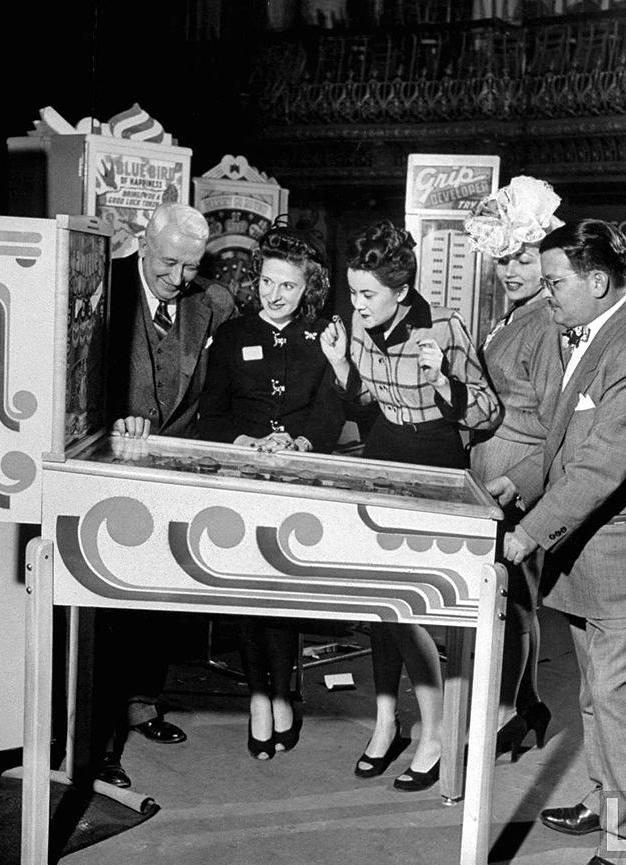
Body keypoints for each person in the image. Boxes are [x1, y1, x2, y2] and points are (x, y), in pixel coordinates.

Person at [486, 219, 626, 865]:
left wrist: (526, 533)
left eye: (554, 281)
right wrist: (512, 482)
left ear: (598, 281)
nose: (544, 292)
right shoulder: (583, 334)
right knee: (596, 696)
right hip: (594, 557)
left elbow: (599, 468)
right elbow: (560, 447)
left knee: (624, 705)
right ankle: (607, 800)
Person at [320, 219, 500, 792]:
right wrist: (342, 365)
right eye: (354, 293)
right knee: (380, 606)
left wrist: (444, 378)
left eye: (368, 294)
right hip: (384, 461)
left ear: (401, 291)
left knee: (409, 607)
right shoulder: (359, 323)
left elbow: (486, 413)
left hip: (435, 470)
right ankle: (385, 722)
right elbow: (366, 407)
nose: (358, 304)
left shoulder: (445, 327)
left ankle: (435, 732)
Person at [98, 202, 236, 789]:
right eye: (169, 264)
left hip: (172, 471)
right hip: (107, 469)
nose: (179, 279)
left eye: (191, 266)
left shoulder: (212, 302)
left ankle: (141, 703)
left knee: (154, 595)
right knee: (104, 604)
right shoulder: (103, 292)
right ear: (142, 247)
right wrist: (113, 421)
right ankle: (95, 736)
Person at [199, 223, 345, 759]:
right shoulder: (233, 335)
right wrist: (244, 441)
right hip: (242, 482)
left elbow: (332, 408)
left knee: (283, 595)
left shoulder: (322, 335)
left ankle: (283, 694)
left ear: (308, 288)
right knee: (246, 596)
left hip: (295, 484)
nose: (273, 293)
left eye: (287, 285)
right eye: (266, 281)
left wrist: (304, 442)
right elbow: (209, 414)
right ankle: (258, 697)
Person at [463, 175, 565, 760]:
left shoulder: (546, 321)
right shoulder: (516, 314)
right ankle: (524, 706)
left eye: (523, 258)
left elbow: (558, 429)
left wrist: (519, 480)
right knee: (508, 597)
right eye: (503, 258)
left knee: (513, 600)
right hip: (491, 472)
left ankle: (508, 713)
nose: (511, 270)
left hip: (515, 481)